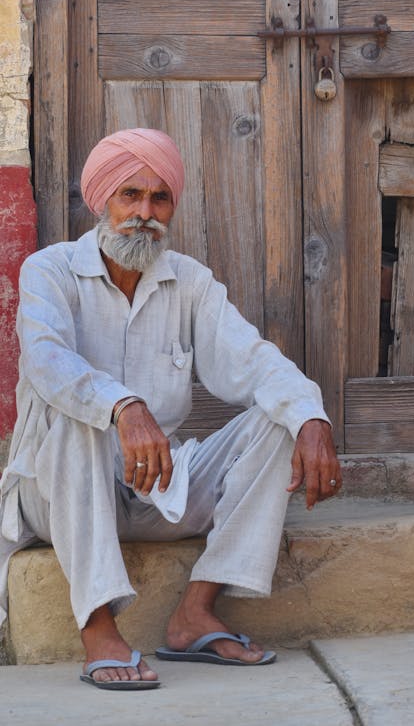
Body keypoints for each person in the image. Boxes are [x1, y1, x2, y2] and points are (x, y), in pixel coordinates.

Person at [0, 128, 342, 689]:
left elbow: (252, 359)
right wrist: (123, 405)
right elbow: (47, 362)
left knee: (281, 419)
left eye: (159, 199)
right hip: (58, 492)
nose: (144, 213)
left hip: (157, 487)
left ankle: (195, 613)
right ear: (102, 201)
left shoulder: (191, 283)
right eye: (129, 195)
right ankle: (98, 625)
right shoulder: (49, 270)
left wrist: (311, 416)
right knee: (73, 413)